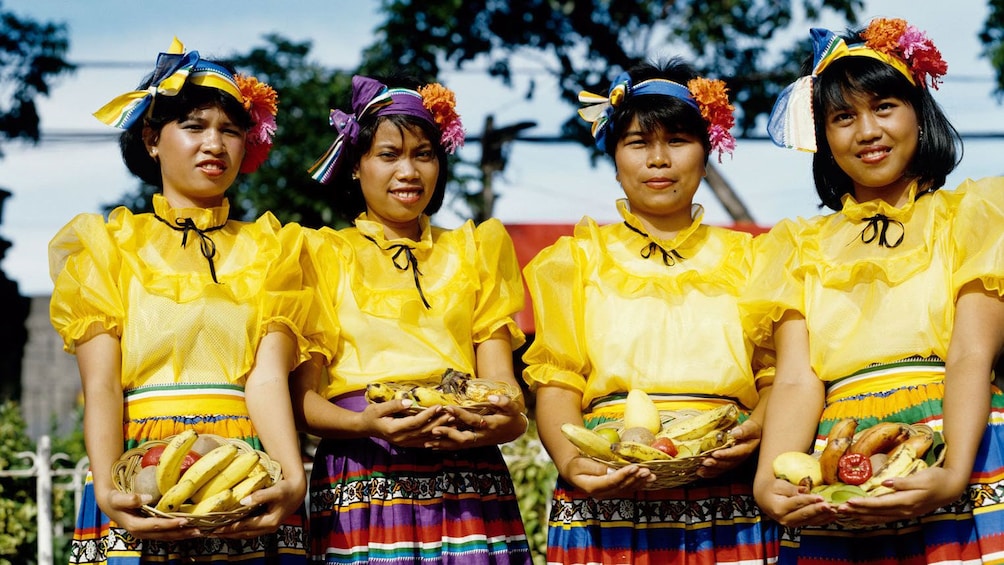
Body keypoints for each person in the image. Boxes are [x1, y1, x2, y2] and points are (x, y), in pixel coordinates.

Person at [747, 17, 1004, 563]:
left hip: (962, 440)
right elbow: (796, 378)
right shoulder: (796, 245)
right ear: (822, 135)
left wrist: (954, 469)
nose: (867, 131)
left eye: (884, 107)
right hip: (840, 460)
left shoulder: (972, 216)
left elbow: (970, 354)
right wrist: (770, 481)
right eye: (843, 116)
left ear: (919, 113)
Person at [49, 38, 311, 563]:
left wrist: (290, 478)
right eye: (194, 126)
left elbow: (265, 379)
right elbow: (100, 384)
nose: (214, 143)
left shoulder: (273, 248)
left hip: (244, 469)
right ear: (151, 139)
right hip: (135, 467)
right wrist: (106, 488)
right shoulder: (107, 247)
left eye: (230, 130)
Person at [521, 59, 778, 565]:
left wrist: (753, 433)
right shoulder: (575, 261)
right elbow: (558, 382)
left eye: (678, 141)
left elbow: (776, 376)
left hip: (725, 487)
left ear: (707, 155)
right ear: (613, 158)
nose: (658, 160)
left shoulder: (755, 259)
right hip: (605, 487)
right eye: (638, 143)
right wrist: (573, 463)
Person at [290, 74, 532, 564]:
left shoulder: (474, 250)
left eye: (424, 154)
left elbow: (507, 400)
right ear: (355, 166)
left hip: (469, 480)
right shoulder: (320, 254)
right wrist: (365, 424)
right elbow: (303, 403)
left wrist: (493, 423)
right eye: (388, 154)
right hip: (364, 477)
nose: (409, 171)